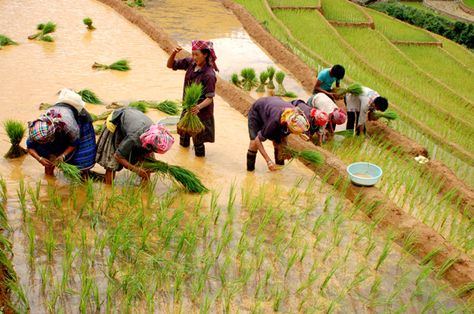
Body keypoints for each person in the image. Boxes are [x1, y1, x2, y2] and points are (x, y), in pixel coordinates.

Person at [27, 88, 96, 178]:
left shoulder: (69, 127)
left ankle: (84, 180)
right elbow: (29, 147)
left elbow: (74, 143)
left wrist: (63, 156)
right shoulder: (37, 129)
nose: (40, 143)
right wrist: (39, 159)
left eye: (42, 142)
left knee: (81, 158)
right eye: (39, 142)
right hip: (59, 119)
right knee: (48, 159)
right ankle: (50, 182)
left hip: (78, 119)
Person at [95, 107, 174, 184]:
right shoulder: (134, 137)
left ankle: (144, 189)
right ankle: (108, 189)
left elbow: (148, 155)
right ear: (150, 144)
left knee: (147, 163)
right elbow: (118, 156)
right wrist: (136, 170)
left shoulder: (155, 133)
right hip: (116, 124)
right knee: (112, 164)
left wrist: (156, 165)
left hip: (133, 122)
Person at [167, 40, 218, 157]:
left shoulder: (209, 75)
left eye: (197, 54)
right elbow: (170, 65)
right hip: (187, 108)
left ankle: (200, 166)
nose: (194, 57)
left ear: (205, 54)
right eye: (192, 54)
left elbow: (210, 97)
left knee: (198, 142)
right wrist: (173, 54)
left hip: (200, 113)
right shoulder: (190, 63)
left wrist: (198, 107)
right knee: (183, 137)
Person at [247, 96, 309, 172]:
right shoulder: (275, 122)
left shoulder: (295, 117)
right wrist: (268, 161)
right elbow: (257, 140)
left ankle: (278, 171)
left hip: (274, 107)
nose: (292, 133)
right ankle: (250, 171)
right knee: (253, 143)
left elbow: (284, 138)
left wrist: (285, 151)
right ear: (288, 125)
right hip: (258, 111)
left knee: (279, 144)